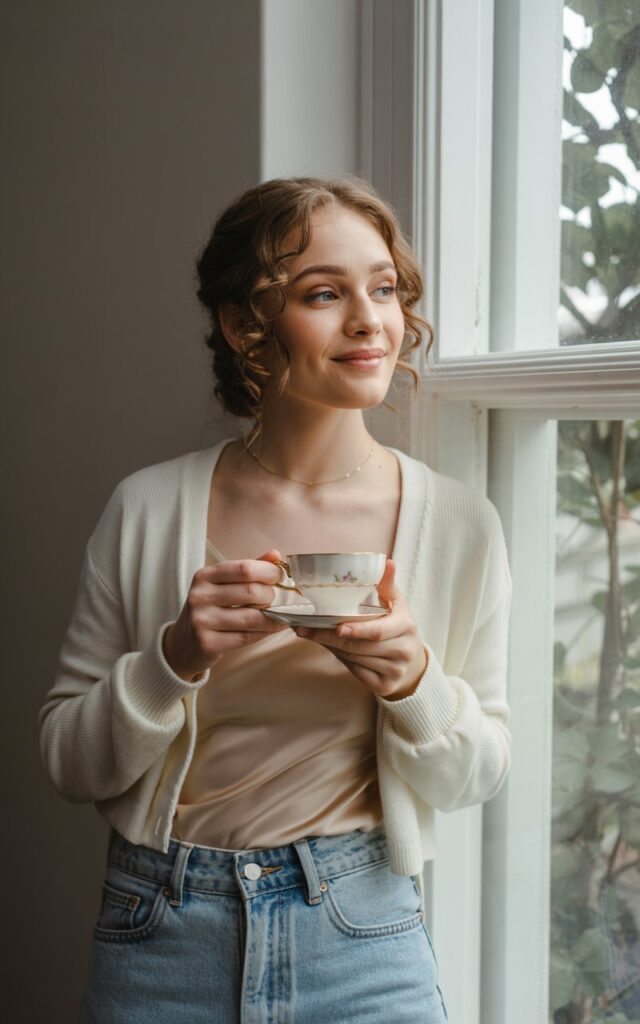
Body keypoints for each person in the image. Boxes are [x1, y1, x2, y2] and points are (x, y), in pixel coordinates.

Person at [39, 175, 512, 1023]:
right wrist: (172, 659)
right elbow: (70, 762)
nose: (370, 319)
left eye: (386, 287)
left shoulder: (460, 525)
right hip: (161, 929)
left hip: (363, 931)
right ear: (242, 324)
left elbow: (477, 773)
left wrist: (413, 682)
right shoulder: (149, 507)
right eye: (324, 293)